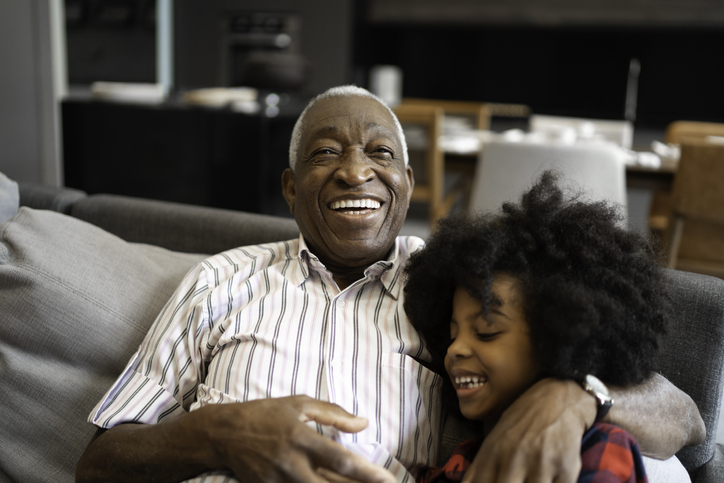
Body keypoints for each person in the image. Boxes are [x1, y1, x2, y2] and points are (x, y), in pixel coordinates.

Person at [75, 86, 704, 483]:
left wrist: (574, 397)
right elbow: (97, 465)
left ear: (406, 182)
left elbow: (684, 416)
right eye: (325, 154)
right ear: (291, 188)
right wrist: (222, 433)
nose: (355, 172)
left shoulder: (453, 284)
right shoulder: (222, 279)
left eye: (379, 154)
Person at [404, 171, 672, 482]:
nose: (455, 349)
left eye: (486, 332)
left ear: (558, 337)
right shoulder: (460, 461)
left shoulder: (601, 448)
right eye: (451, 336)